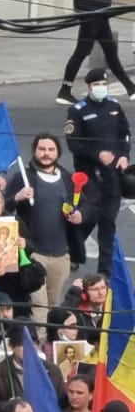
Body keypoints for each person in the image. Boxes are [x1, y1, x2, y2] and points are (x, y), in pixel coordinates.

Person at [5, 133, 82, 313]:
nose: (46, 153)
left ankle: (47, 339)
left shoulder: (67, 178)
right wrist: (17, 197)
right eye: (42, 149)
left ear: (58, 153)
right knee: (38, 307)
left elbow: (83, 205)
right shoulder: (23, 178)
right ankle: (38, 339)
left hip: (61, 255)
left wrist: (80, 215)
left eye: (50, 149)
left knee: (52, 306)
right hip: (33, 254)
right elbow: (1, 208)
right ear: (34, 151)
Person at [64, 68, 129, 274]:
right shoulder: (78, 110)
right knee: (89, 217)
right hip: (89, 176)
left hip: (113, 175)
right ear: (88, 86)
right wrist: (97, 154)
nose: (100, 88)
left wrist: (124, 155)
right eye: (96, 84)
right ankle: (74, 254)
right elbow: (74, 143)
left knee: (108, 223)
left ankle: (105, 271)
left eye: (103, 84)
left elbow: (125, 134)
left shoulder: (114, 106)